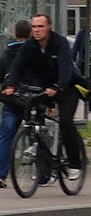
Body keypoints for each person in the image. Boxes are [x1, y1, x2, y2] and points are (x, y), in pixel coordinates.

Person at [1, 14, 83, 181]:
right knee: (35, 118)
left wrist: (58, 87)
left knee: (66, 121)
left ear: (49, 27)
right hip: (44, 88)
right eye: (34, 27)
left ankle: (75, 163)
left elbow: (66, 67)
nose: (37, 30)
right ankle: (42, 159)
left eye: (40, 26)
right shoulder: (30, 45)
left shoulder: (59, 42)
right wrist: (10, 84)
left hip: (66, 87)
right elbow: (18, 66)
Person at [0, 19, 31, 189]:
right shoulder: (33, 52)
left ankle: (0, 173)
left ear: (14, 34)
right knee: (37, 132)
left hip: (10, 99)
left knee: (5, 137)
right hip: (29, 99)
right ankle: (42, 173)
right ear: (31, 33)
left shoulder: (7, 52)